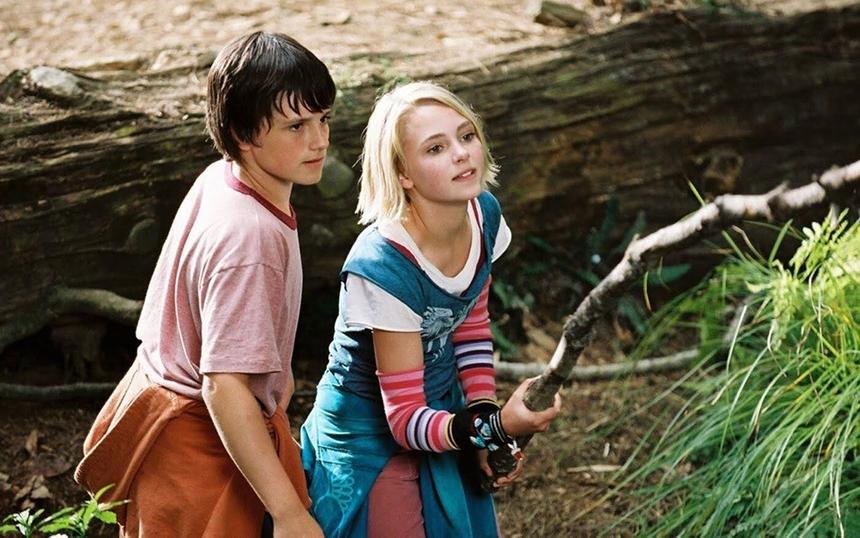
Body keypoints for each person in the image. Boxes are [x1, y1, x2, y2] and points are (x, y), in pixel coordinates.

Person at [74, 31, 334, 537]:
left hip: (175, 416)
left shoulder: (222, 176)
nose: (319, 140)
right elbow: (224, 386)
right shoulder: (250, 237)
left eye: (323, 119)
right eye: (296, 126)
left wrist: (276, 376)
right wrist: (288, 513)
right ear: (242, 133)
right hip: (200, 449)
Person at [301, 81, 562, 537]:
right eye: (436, 148)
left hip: (443, 409)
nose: (462, 154)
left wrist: (482, 413)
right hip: (370, 433)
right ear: (403, 174)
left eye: (466, 135)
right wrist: (497, 426)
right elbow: (402, 420)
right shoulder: (383, 268)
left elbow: (471, 323)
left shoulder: (483, 214)